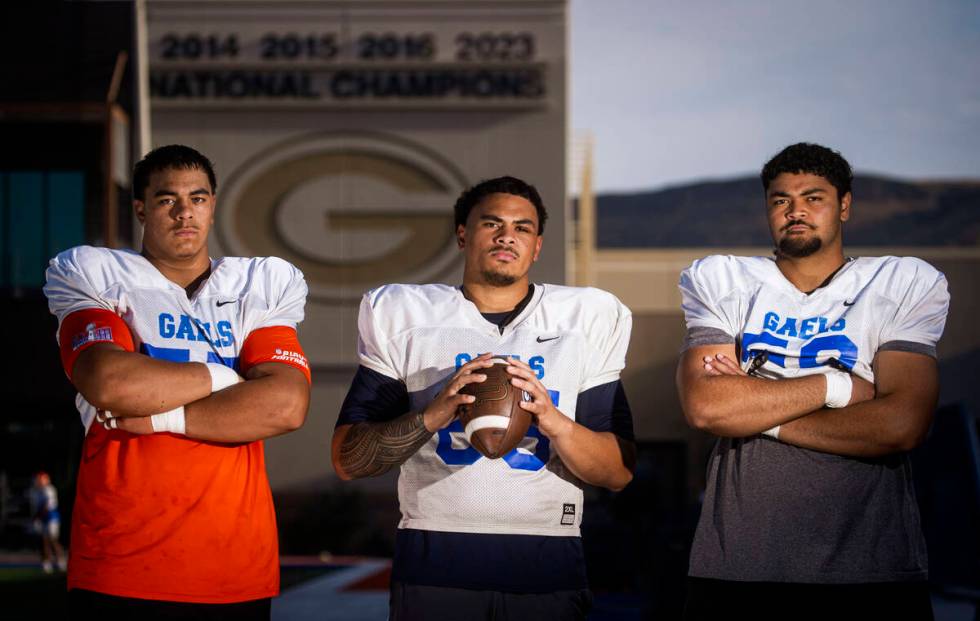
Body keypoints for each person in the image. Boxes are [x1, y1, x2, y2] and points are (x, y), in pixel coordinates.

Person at [331, 176, 636, 621]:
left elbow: (618, 474)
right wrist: (432, 415)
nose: (506, 235)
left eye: (522, 228)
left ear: (537, 246)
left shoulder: (584, 320)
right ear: (462, 234)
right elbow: (347, 460)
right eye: (491, 223)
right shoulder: (406, 315)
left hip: (548, 557)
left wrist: (553, 421)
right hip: (433, 553)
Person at [676, 143, 949, 619]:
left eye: (813, 197)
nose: (795, 210)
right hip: (739, 564)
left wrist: (755, 412)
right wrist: (836, 387)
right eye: (780, 199)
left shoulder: (900, 281)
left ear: (844, 205)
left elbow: (902, 424)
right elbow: (708, 407)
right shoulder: (725, 278)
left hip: (871, 566)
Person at [43, 145, 312, 620]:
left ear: (212, 206)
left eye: (198, 197)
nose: (184, 211)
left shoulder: (258, 286)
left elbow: (285, 405)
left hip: (235, 563)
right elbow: (111, 382)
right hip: (121, 558)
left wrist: (162, 413)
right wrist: (226, 375)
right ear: (142, 209)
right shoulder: (96, 276)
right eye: (167, 199)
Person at [28, 471, 66, 574]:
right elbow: (35, 507)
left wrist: (37, 517)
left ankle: (61, 560)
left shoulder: (49, 490)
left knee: (53, 540)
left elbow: (47, 507)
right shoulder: (35, 492)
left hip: (51, 517)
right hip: (43, 518)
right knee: (44, 541)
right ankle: (46, 562)